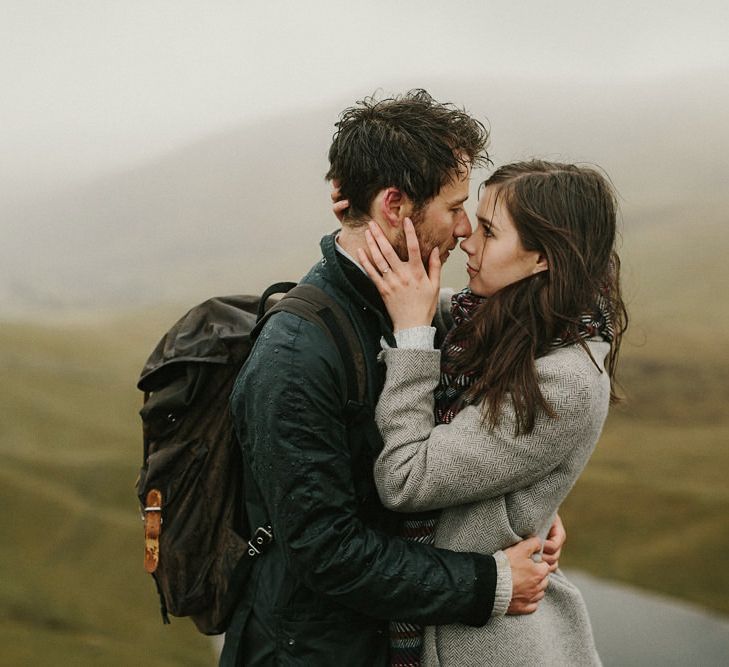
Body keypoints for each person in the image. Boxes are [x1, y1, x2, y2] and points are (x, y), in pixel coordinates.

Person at [220, 92, 564, 666]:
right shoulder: (296, 356)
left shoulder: (408, 304)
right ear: (394, 205)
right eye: (454, 208)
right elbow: (327, 552)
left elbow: (434, 455)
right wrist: (491, 582)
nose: (463, 230)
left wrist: (518, 511)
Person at [358, 159, 628, 666]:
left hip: (496, 647)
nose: (468, 241)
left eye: (488, 231)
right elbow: (389, 296)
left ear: (542, 258)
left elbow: (406, 479)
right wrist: (364, 213)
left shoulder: (565, 379)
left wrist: (414, 340)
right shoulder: (482, 323)